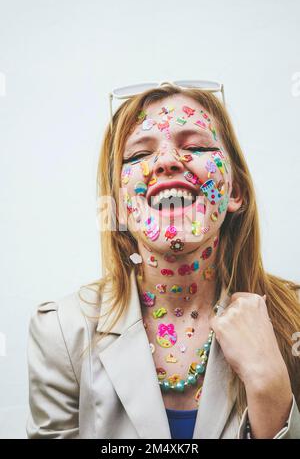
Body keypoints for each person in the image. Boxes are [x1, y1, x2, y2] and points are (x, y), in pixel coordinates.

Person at [26, 83, 300, 439]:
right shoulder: (62, 332)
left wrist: (268, 385)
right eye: (139, 155)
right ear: (121, 205)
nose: (168, 161)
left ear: (235, 192)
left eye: (197, 146)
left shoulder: (294, 318)